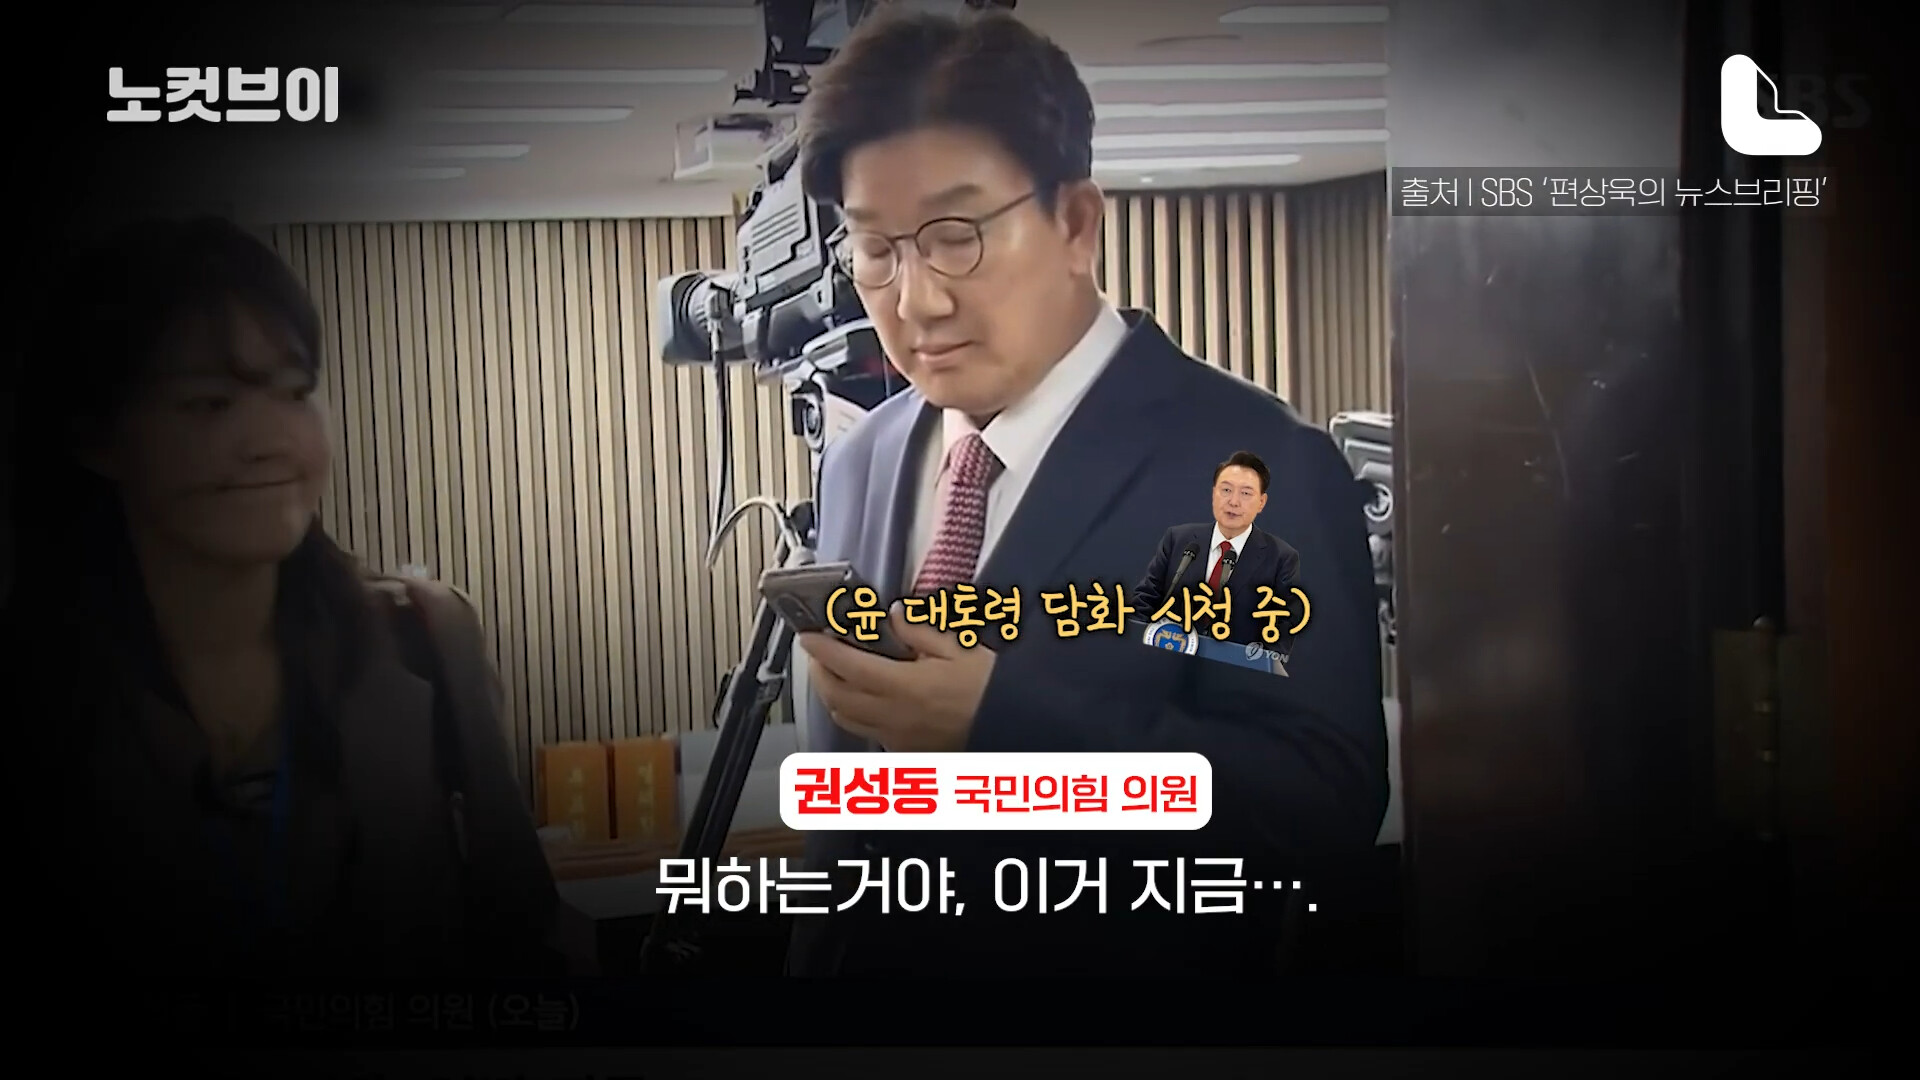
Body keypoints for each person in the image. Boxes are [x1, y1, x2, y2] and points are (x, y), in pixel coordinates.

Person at [786, 9, 1388, 976]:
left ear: (1075, 224)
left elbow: (1319, 814)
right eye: (876, 250)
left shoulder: (1255, 469)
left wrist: (1007, 731)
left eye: (955, 237)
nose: (915, 301)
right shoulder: (863, 458)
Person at [3, 217, 570, 978]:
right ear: (96, 437)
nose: (271, 440)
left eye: (296, 392)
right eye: (209, 403)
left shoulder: (426, 637)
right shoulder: (37, 697)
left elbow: (524, 934)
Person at [1134, 450, 1303, 651]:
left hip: (1237, 669)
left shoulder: (1281, 558)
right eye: (1226, 490)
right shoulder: (1178, 540)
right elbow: (1145, 601)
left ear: (1261, 502)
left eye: (1246, 493)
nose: (1234, 501)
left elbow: (1281, 631)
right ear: (1214, 493)